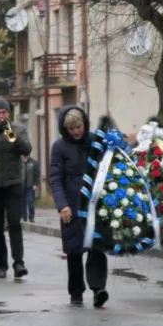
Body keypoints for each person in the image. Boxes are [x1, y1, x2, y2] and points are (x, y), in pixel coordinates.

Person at [49, 106, 108, 307]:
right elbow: (55, 179)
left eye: (79, 127)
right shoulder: (59, 147)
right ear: (66, 129)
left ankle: (98, 288)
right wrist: (62, 205)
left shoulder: (95, 141)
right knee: (74, 250)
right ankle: (76, 291)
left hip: (95, 201)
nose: (77, 132)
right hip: (71, 204)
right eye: (72, 129)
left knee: (97, 246)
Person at [0, 99, 32, 279]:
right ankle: (1, 265)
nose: (1, 116)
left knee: (14, 222)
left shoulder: (18, 129)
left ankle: (18, 262)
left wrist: (11, 135)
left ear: (8, 114)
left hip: (14, 183)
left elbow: (26, 149)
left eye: (4, 112)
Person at [23, 155, 40, 223]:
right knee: (22, 203)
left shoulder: (33, 162)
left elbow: (37, 174)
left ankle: (31, 217)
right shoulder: (21, 162)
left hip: (30, 186)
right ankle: (24, 217)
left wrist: (36, 184)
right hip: (22, 186)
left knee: (30, 202)